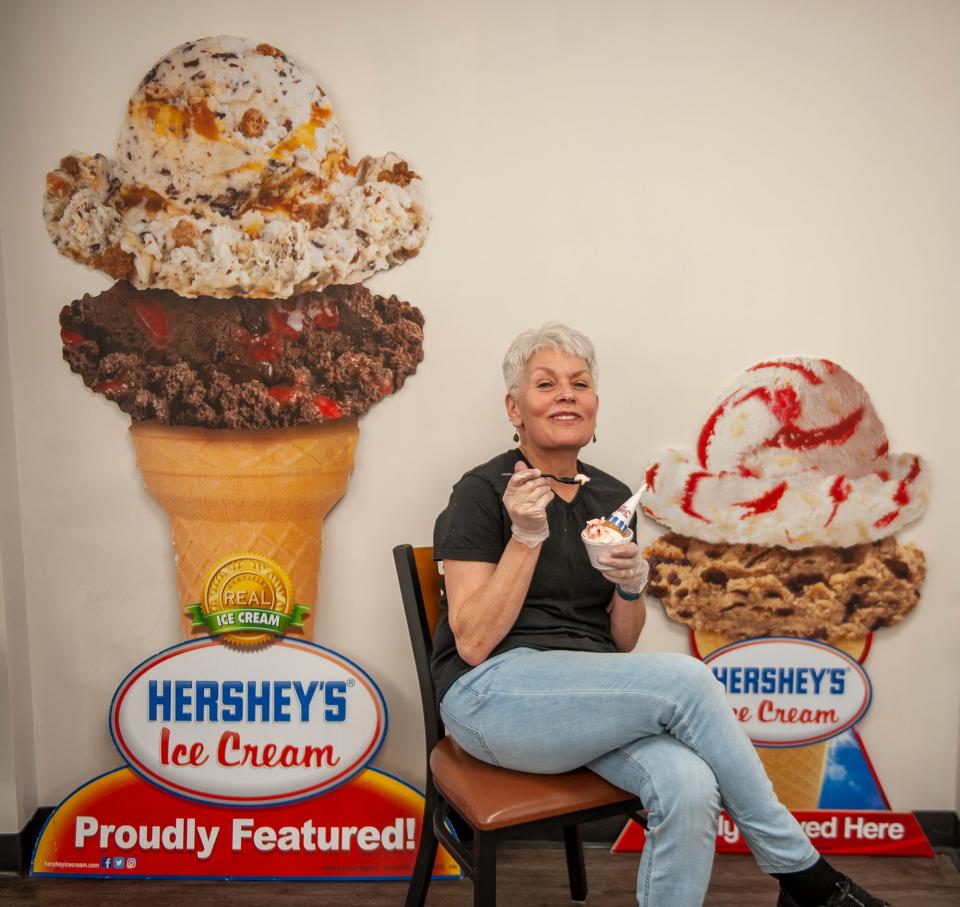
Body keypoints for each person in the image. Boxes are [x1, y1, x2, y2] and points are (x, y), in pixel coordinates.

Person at [430, 323, 891, 907]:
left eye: (580, 382)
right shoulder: (482, 492)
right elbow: (470, 643)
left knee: (691, 784)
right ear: (514, 408)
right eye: (545, 384)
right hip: (491, 700)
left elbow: (620, 645)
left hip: (583, 701)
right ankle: (802, 874)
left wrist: (630, 587)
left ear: (596, 403)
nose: (566, 394)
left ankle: (792, 877)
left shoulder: (612, 496)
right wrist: (525, 537)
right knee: (687, 677)